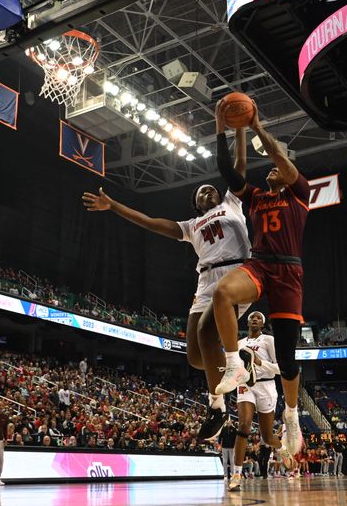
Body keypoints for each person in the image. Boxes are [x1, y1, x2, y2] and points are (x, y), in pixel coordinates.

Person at [81, 128, 252, 441]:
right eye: (201, 192)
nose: (208, 192)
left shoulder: (232, 204)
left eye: (210, 189)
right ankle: (237, 355)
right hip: (205, 282)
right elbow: (149, 222)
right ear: (195, 203)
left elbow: (239, 166)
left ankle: (217, 405)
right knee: (195, 356)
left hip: (235, 274)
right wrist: (115, 206)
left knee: (205, 332)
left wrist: (240, 129)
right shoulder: (190, 226)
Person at [212, 98, 311, 455]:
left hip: (288, 270)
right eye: (268, 169)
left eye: (276, 169)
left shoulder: (300, 193)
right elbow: (227, 170)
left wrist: (255, 127)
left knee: (286, 357)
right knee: (223, 293)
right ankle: (233, 365)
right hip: (260, 263)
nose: (270, 170)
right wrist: (221, 127)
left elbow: (282, 160)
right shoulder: (254, 197)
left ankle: (293, 413)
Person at [228, 311, 290, 492]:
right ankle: (237, 475)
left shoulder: (269, 341)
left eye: (258, 318)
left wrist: (260, 362)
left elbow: (281, 369)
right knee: (244, 426)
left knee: (268, 437)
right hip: (246, 385)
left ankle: (283, 450)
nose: (254, 319)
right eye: (252, 317)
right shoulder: (239, 344)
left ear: (262, 324)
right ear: (247, 322)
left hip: (267, 387)